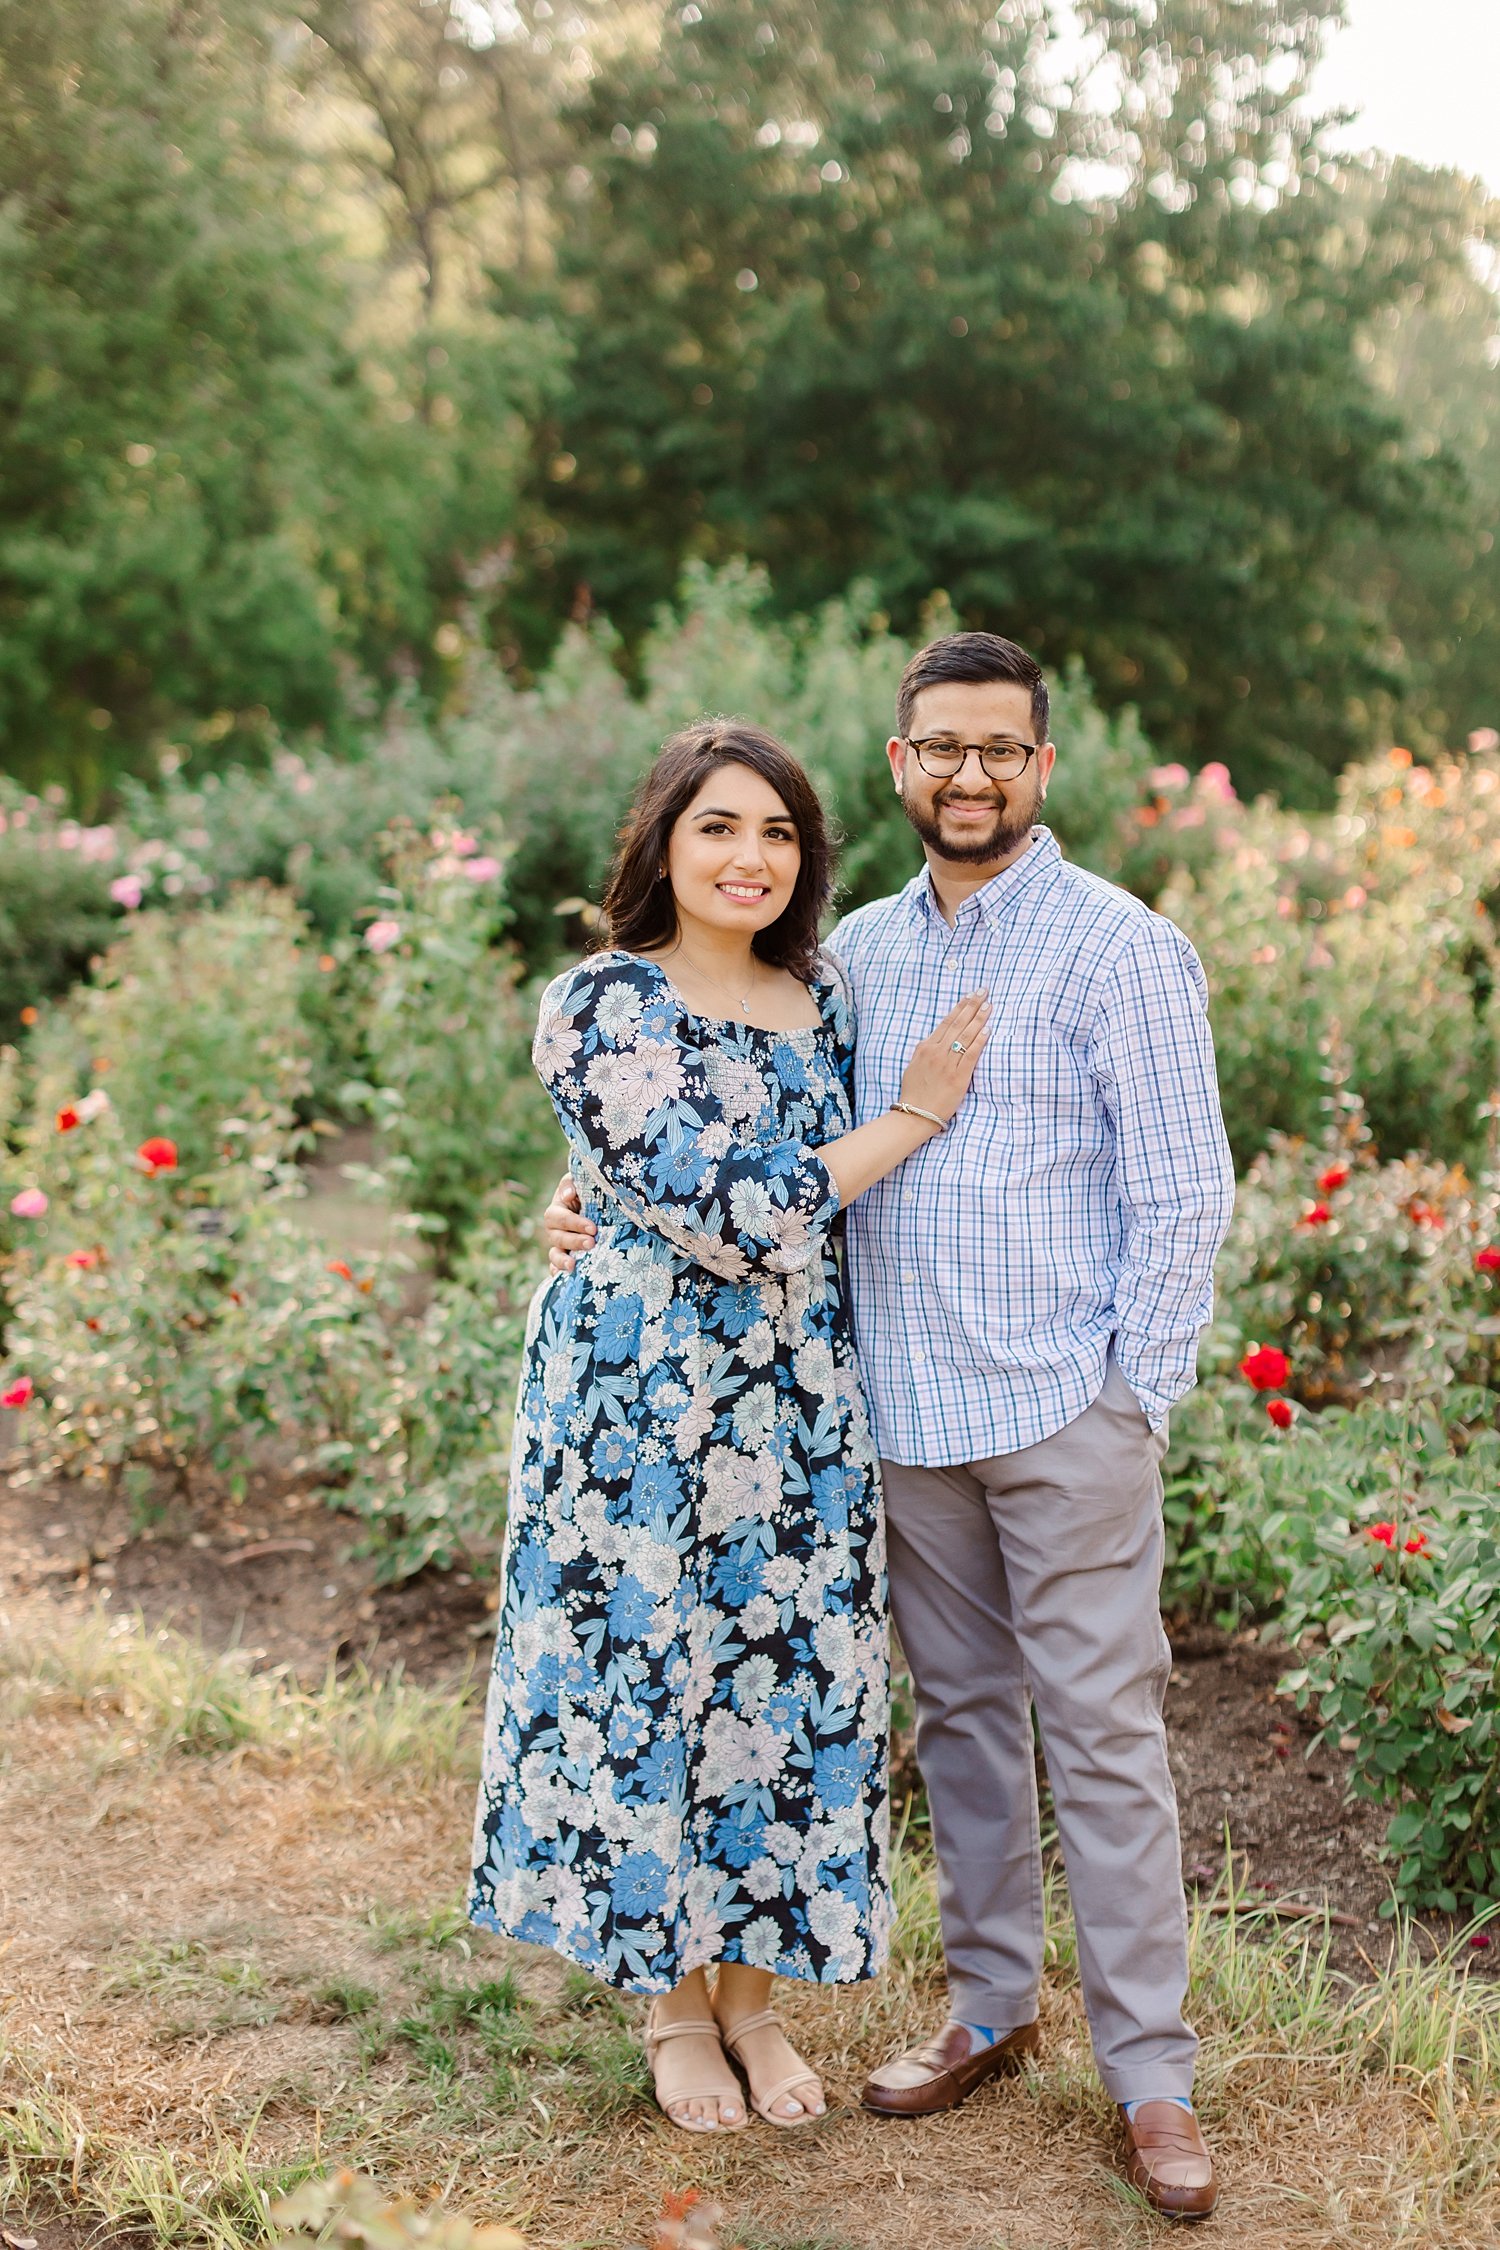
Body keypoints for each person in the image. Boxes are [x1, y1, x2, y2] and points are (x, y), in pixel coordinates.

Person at [542, 636, 1236, 2218]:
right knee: (968, 1727)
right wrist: (585, 1199)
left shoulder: (1121, 946)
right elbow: (747, 1136)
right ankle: (989, 2006)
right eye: (942, 747)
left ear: (1041, 767)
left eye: (1001, 747)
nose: (971, 773)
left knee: (1108, 1740)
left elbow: (1186, 1192)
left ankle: (1152, 2076)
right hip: (897, 1410)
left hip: (1066, 1400)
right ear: (901, 761)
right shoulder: (849, 952)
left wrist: (1140, 1391)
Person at [469, 718, 991, 2137]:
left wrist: (581, 1188)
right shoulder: (598, 1000)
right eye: (719, 826)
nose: (750, 855)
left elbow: (758, 1195)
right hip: (633, 1409)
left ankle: (752, 2000)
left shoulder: (822, 999)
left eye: (778, 832)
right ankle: (668, 2005)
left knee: (781, 1683)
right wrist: (913, 1118)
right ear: (663, 842)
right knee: (653, 1682)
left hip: (798, 1404)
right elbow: (733, 1207)